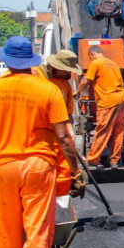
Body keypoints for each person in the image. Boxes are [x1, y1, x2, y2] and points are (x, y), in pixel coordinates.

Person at [0, 37, 82, 248]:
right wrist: (75, 171)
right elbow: (64, 137)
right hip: (38, 165)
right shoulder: (48, 90)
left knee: (7, 228)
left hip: (4, 165)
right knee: (37, 228)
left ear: (7, 61)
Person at [38, 51, 82, 196]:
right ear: (55, 67)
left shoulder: (66, 86)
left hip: (61, 134)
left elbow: (68, 113)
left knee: (64, 170)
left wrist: (70, 130)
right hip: (45, 135)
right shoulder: (43, 84)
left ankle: (61, 199)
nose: (68, 73)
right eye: (66, 69)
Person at [77, 46, 124, 167]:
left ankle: (93, 159)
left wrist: (77, 92)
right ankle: (115, 161)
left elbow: (86, 81)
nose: (90, 60)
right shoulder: (113, 63)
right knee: (118, 132)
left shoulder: (96, 63)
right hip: (123, 100)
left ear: (93, 53)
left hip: (108, 101)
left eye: (89, 57)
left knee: (103, 131)